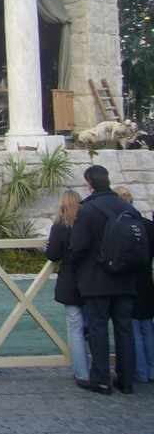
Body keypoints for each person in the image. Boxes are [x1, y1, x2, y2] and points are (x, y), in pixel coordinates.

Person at [68, 165, 138, 395]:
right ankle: (126, 379)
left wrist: (75, 269)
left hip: (96, 279)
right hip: (126, 277)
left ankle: (101, 379)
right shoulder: (128, 208)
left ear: (88, 184)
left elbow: (77, 247)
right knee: (124, 328)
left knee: (98, 329)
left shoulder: (87, 210)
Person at [45, 190, 90, 385]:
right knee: (95, 326)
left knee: (76, 327)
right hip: (92, 279)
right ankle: (98, 371)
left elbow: (53, 254)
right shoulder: (88, 224)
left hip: (71, 280)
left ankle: (82, 373)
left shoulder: (60, 227)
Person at [114, 188, 154, 384]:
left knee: (133, 327)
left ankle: (139, 370)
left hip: (128, 280)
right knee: (147, 326)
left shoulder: (121, 226)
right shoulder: (148, 225)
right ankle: (152, 369)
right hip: (147, 278)